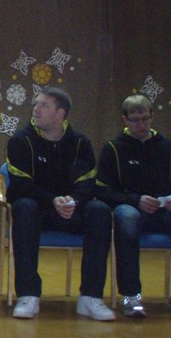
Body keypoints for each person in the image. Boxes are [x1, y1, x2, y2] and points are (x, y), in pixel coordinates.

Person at [6, 87, 114, 321]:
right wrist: (52, 200)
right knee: (23, 206)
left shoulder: (80, 143)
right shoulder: (21, 141)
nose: (35, 109)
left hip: (71, 211)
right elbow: (19, 185)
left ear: (60, 114)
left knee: (100, 211)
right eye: (36, 104)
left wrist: (73, 201)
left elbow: (88, 184)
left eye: (43, 105)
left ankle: (91, 297)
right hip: (38, 211)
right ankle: (28, 295)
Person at [96, 94, 171, 317]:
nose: (141, 124)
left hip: (164, 209)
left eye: (145, 119)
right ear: (125, 120)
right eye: (135, 120)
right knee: (126, 219)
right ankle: (131, 295)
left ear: (152, 117)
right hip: (130, 207)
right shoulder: (113, 149)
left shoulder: (166, 147)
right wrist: (136, 200)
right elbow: (102, 190)